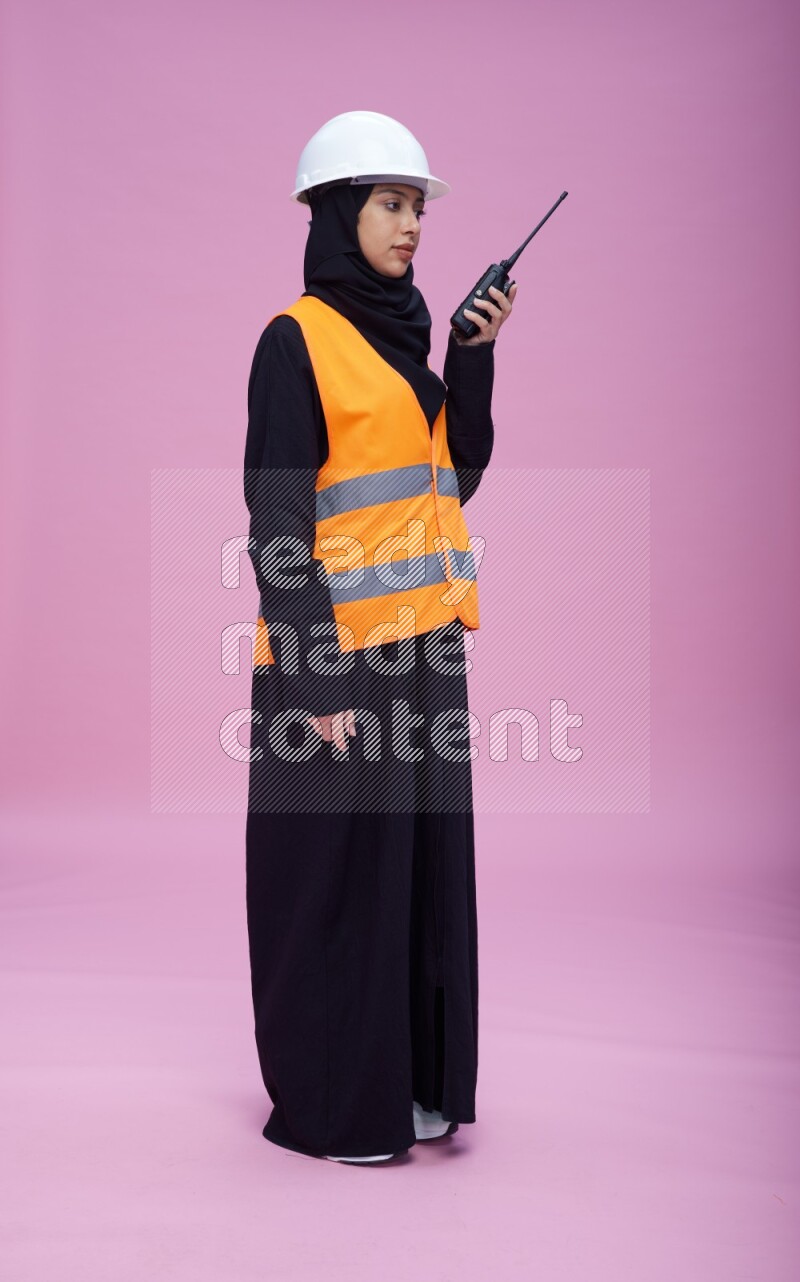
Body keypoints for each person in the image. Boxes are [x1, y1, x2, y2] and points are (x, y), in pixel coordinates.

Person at [243, 111, 517, 1164]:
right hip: (337, 669)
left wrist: (470, 357)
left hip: (425, 655)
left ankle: (409, 1083)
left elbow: (454, 483)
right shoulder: (295, 340)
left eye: (415, 207)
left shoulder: (405, 341)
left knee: (416, 877)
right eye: (390, 203)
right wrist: (316, 689)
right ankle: (335, 1102)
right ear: (336, 211)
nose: (409, 225)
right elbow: (278, 526)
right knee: (338, 882)